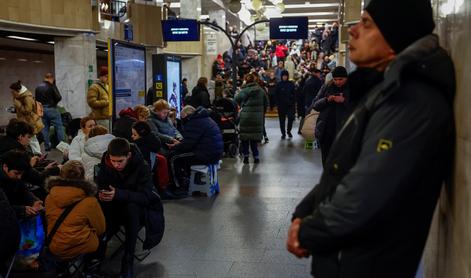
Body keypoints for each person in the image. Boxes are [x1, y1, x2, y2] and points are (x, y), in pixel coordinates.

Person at [287, 1, 455, 278]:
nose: (353, 31)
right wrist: (303, 211)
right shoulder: (384, 91)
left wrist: (308, 231)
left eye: (366, 24)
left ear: (394, 37)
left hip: (369, 263)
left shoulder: (412, 102)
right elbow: (343, 169)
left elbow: (367, 190)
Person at [95, 138, 164, 278]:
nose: (116, 165)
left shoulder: (142, 167)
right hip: (113, 207)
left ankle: (128, 261)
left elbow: (146, 197)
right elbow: (99, 186)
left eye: (120, 161)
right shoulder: (105, 165)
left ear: (129, 156)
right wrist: (100, 194)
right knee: (101, 214)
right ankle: (95, 260)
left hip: (137, 210)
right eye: (113, 161)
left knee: (131, 209)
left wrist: (119, 194)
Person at [45, 160, 105, 263]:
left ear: (61, 175)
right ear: (83, 177)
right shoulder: (90, 201)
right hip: (78, 247)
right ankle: (90, 269)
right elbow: (101, 229)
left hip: (54, 245)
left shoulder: (49, 197)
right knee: (103, 238)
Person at [166, 106, 223, 188]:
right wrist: (181, 144)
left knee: (174, 158)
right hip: (214, 153)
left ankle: (178, 186)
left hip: (206, 155)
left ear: (186, 115)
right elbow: (192, 141)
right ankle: (192, 180)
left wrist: (175, 146)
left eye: (182, 117)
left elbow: (188, 145)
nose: (182, 120)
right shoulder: (204, 118)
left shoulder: (194, 122)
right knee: (184, 156)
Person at [312, 66, 349, 165]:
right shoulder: (327, 87)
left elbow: (360, 106)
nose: (338, 82)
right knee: (326, 161)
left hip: (343, 132)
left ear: (346, 78)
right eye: (335, 79)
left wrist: (344, 100)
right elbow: (315, 105)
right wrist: (327, 100)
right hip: (326, 132)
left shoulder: (352, 89)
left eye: (341, 79)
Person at [235, 73, 268, 164]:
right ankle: (256, 157)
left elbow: (236, 99)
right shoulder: (261, 91)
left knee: (245, 138)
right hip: (257, 117)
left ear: (246, 81)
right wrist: (262, 112)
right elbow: (266, 103)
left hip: (245, 117)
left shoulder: (244, 90)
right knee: (254, 139)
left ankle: (246, 157)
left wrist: (242, 104)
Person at [0, 150, 42, 219]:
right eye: (16, 173)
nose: (19, 177)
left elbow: (23, 190)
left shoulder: (15, 176)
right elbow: (3, 208)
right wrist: (22, 210)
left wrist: (33, 201)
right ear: (5, 167)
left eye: (21, 174)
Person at [10, 81, 44, 154]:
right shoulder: (20, 97)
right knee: (29, 139)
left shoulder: (27, 97)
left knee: (32, 139)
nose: (12, 93)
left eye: (13, 91)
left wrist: (18, 104)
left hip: (30, 121)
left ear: (18, 90)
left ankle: (38, 155)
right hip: (26, 121)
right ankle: (34, 154)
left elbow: (27, 110)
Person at [34, 73, 65, 151]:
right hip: (51, 109)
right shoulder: (51, 86)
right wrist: (54, 103)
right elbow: (59, 97)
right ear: (51, 78)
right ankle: (62, 146)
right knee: (59, 127)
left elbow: (36, 100)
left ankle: (47, 146)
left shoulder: (38, 87)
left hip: (42, 110)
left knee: (45, 129)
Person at [274, 70, 296, 139]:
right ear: (281, 76)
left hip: (290, 106)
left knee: (290, 118)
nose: (284, 77)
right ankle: (283, 133)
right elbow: (276, 95)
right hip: (281, 106)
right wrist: (277, 104)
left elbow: (295, 94)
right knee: (282, 121)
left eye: (286, 76)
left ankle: (289, 131)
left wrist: (292, 101)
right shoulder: (278, 84)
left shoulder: (291, 84)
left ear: (287, 76)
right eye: (283, 76)